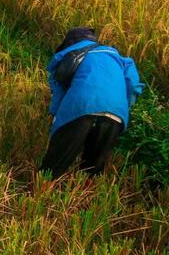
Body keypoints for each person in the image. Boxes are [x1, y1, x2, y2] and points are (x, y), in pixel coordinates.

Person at [39, 26, 144, 179]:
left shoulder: (67, 55)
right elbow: (133, 85)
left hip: (80, 107)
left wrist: (56, 118)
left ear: (70, 42)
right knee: (92, 170)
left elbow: (59, 91)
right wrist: (122, 107)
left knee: (53, 166)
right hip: (116, 114)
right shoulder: (118, 57)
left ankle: (40, 193)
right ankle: (86, 197)